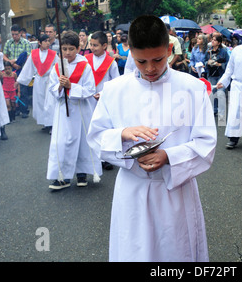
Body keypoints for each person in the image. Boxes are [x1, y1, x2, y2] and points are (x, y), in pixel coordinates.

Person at [86, 15, 217, 262]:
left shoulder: (191, 88)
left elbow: (206, 142)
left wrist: (168, 155)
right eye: (140, 61)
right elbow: (96, 136)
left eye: (158, 59)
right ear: (130, 52)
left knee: (175, 251)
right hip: (132, 189)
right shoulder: (114, 90)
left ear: (169, 49)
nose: (149, 68)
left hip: (174, 189)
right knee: (133, 252)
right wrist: (122, 134)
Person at [46, 30, 102, 190]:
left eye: (71, 49)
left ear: (78, 48)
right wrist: (59, 86)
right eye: (64, 49)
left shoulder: (84, 66)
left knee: (82, 142)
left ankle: (82, 173)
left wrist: (72, 87)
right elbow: (51, 88)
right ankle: (62, 176)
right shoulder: (57, 67)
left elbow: (90, 89)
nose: (68, 52)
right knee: (62, 142)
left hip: (80, 110)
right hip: (63, 111)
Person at [85, 31, 119, 171]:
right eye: (91, 45)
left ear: (105, 45)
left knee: (104, 128)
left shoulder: (111, 62)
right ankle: (91, 157)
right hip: (87, 99)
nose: (92, 48)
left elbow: (116, 82)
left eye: (96, 45)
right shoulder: (85, 59)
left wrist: (104, 94)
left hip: (103, 100)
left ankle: (105, 158)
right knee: (89, 127)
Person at [17, 34, 59, 131]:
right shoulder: (34, 54)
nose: (48, 43)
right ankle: (45, 123)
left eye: (49, 41)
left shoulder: (53, 54)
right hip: (39, 80)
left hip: (49, 80)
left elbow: (58, 67)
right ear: (39, 43)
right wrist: (19, 80)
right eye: (45, 41)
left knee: (50, 102)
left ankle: (52, 124)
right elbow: (28, 68)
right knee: (40, 102)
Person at [3, 24, 32, 118]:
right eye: (13, 34)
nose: (14, 36)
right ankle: (15, 109)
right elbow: (4, 56)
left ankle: (24, 110)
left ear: (20, 33)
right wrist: (11, 62)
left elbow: (28, 57)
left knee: (22, 91)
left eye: (16, 34)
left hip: (22, 69)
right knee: (12, 90)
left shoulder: (26, 43)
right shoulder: (8, 42)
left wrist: (19, 65)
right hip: (11, 70)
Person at [205, 34, 229, 123]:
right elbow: (204, 61)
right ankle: (213, 110)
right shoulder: (209, 51)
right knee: (212, 94)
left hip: (221, 75)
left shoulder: (223, 51)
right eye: (212, 40)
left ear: (219, 43)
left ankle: (221, 113)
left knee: (220, 93)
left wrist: (220, 65)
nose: (212, 41)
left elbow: (228, 63)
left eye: (215, 40)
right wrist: (207, 62)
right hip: (211, 74)